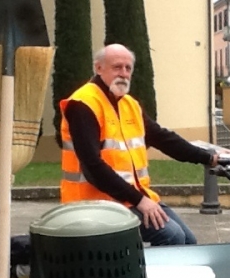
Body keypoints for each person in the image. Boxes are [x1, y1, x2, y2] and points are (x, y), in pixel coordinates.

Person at [60, 44, 219, 246]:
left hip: (127, 198)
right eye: (117, 67)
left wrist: (208, 157)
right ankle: (146, 268)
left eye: (128, 68)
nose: (124, 73)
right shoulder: (83, 104)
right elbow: (92, 166)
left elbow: (162, 138)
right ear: (98, 68)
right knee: (171, 236)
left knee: (188, 241)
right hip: (95, 203)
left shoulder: (129, 104)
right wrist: (140, 200)